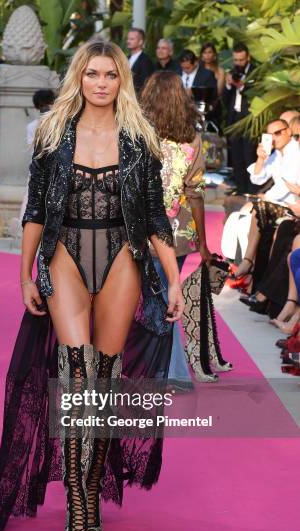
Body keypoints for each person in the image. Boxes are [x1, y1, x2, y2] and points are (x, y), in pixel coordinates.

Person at [0, 39, 183, 531]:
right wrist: (24, 274)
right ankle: (75, 506)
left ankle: (90, 487)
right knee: (76, 378)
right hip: (64, 253)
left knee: (105, 383)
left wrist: (175, 279)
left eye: (110, 75)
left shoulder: (139, 140)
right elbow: (36, 213)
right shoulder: (53, 134)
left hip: (123, 257)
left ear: (121, 82)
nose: (100, 83)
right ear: (79, 78)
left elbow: (156, 217)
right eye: (92, 74)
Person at [141, 71, 211, 386]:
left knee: (152, 300)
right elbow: (195, 193)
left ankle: (166, 371)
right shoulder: (193, 140)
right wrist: (204, 243)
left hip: (143, 231)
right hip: (179, 235)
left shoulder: (137, 134)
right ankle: (173, 372)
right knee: (167, 297)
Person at [233, 118, 300, 288]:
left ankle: (249, 265)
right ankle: (254, 277)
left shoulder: (296, 152)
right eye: (269, 135)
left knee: (259, 210)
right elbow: (257, 178)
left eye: (278, 133)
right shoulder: (277, 155)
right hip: (278, 205)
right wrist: (261, 158)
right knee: (259, 217)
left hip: (292, 206)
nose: (274, 138)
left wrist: (267, 197)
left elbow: (289, 187)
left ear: (289, 132)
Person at [222, 42, 256, 195]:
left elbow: (256, 95)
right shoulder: (232, 71)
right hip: (234, 119)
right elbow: (224, 99)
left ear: (247, 57)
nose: (238, 63)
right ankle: (241, 190)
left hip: (249, 121)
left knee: (249, 156)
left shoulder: (255, 72)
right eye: (236, 60)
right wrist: (229, 85)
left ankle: (252, 191)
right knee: (237, 158)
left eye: (241, 60)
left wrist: (242, 86)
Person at [126, 28, 154, 94]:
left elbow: (145, 83)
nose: (128, 41)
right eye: (128, 38)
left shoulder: (146, 61)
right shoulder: (126, 58)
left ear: (140, 42)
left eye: (132, 39)